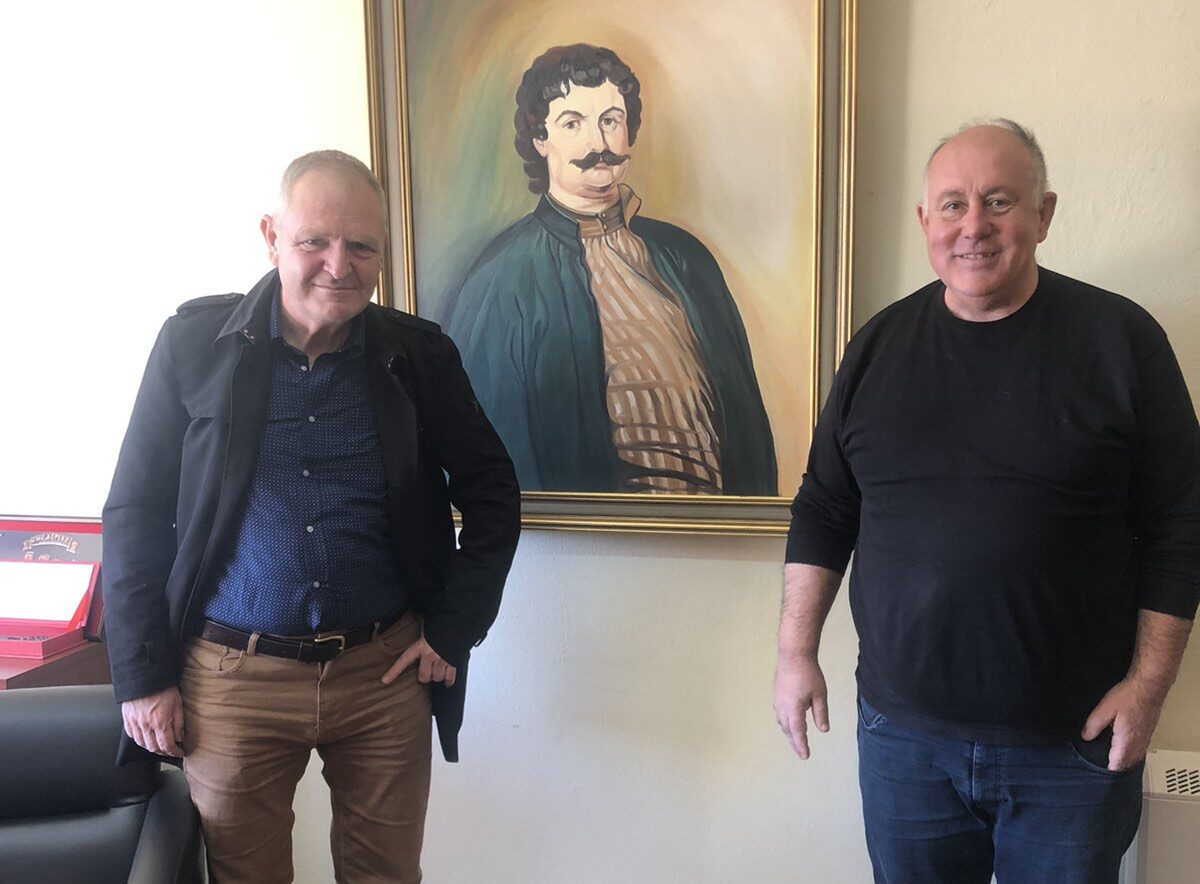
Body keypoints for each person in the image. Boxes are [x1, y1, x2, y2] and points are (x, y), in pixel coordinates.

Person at [774, 120, 1199, 883]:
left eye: (999, 201)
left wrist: (1148, 687)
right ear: (924, 221)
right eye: (953, 204)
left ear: (1044, 213)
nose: (973, 226)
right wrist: (794, 653)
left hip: (1073, 746)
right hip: (905, 744)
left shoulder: (1122, 342)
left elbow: (1181, 524)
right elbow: (825, 508)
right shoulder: (876, 349)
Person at [103, 150, 521, 883]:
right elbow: (135, 511)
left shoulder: (419, 356)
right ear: (271, 236)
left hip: (381, 676)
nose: (339, 265)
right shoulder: (193, 345)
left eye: (361, 246)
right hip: (232, 680)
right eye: (315, 242)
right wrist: (142, 676)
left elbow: (492, 490)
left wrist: (453, 628)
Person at [439, 43, 777, 495]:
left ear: (628, 131)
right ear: (540, 140)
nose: (598, 145)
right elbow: (482, 460)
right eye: (572, 123)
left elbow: (749, 429)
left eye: (611, 121)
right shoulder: (503, 277)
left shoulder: (687, 259)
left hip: (714, 526)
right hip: (589, 533)